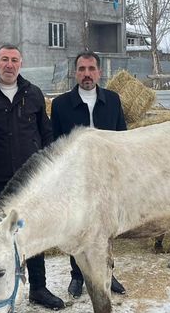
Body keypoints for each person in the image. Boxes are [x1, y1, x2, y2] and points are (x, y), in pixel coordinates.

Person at [0, 44, 65, 310]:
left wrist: (51, 170)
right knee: (1, 236)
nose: (9, 65)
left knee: (32, 232)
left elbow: (46, 134)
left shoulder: (33, 93)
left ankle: (38, 287)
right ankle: (1, 291)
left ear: (21, 64)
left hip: (31, 178)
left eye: (14, 60)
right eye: (5, 59)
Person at [50, 51, 127, 299]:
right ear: (75, 72)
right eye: (82, 69)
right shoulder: (61, 104)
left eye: (91, 69)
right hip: (77, 177)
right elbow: (56, 143)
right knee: (78, 227)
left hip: (107, 176)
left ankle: (107, 271)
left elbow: (123, 137)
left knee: (107, 227)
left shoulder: (113, 100)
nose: (86, 74)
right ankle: (78, 275)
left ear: (100, 72)